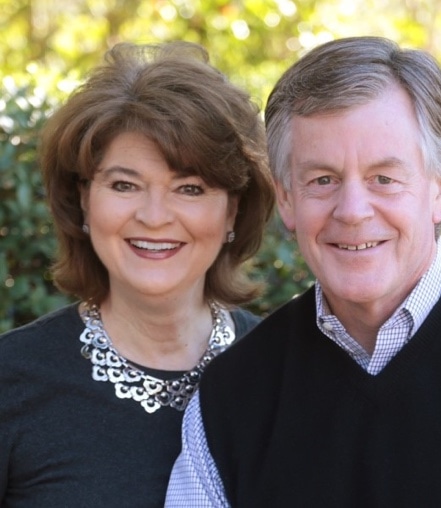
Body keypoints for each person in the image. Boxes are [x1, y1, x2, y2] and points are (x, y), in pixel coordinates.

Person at [165, 36, 441, 507]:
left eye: (383, 178)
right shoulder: (231, 400)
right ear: (286, 197)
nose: (352, 210)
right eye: (322, 180)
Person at [0, 41, 274, 507]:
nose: (154, 216)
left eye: (190, 188)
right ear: (84, 199)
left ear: (233, 212)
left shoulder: (285, 374)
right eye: (124, 184)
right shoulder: (11, 381)